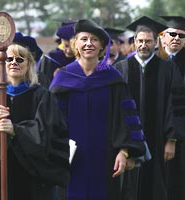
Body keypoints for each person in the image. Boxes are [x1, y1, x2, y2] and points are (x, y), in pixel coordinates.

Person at [0, 39, 70, 200]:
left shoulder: (42, 96)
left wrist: (16, 130)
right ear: (1, 64)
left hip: (32, 178)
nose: (14, 62)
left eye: (20, 59)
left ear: (29, 65)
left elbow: (50, 135)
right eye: (9, 59)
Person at [49, 19, 146, 200]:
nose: (88, 44)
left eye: (94, 39)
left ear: (102, 46)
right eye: (83, 39)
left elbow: (127, 118)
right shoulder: (63, 78)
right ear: (75, 44)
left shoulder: (112, 79)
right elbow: (51, 120)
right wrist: (56, 152)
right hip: (70, 158)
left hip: (106, 158)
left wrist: (125, 151)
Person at [114, 16, 179, 200]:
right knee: (129, 186)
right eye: (140, 41)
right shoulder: (121, 69)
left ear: (156, 42)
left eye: (148, 41)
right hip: (128, 141)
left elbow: (174, 104)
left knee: (156, 186)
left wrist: (171, 139)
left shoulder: (167, 69)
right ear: (134, 42)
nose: (144, 45)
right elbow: (116, 109)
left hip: (158, 138)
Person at [160, 16, 185, 200]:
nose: (176, 38)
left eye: (181, 36)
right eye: (172, 34)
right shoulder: (152, 61)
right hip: (155, 133)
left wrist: (173, 136)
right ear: (163, 36)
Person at [38, 23, 76, 87]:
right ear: (61, 41)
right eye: (66, 46)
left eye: (73, 48)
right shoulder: (50, 59)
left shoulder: (84, 60)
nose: (68, 51)